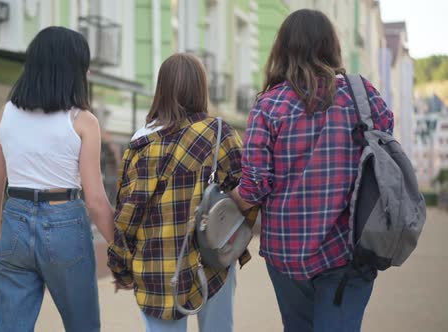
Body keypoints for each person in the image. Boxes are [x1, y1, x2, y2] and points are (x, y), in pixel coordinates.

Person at [229, 9, 394, 332]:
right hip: (350, 247)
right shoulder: (363, 95)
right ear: (331, 46)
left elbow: (254, 187)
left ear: (283, 49)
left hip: (287, 251)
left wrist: (224, 201)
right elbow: (387, 150)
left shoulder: (269, 105)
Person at [107, 53, 255, 332]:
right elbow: (249, 191)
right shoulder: (221, 133)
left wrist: (120, 266)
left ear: (161, 90)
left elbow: (127, 215)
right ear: (201, 88)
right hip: (213, 258)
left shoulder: (140, 143)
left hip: (157, 267)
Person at [0, 26, 114, 332]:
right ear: (72, 69)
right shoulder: (83, 121)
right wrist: (121, 248)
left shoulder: (6, 114)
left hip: (14, 219)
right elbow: (95, 201)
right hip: (65, 222)